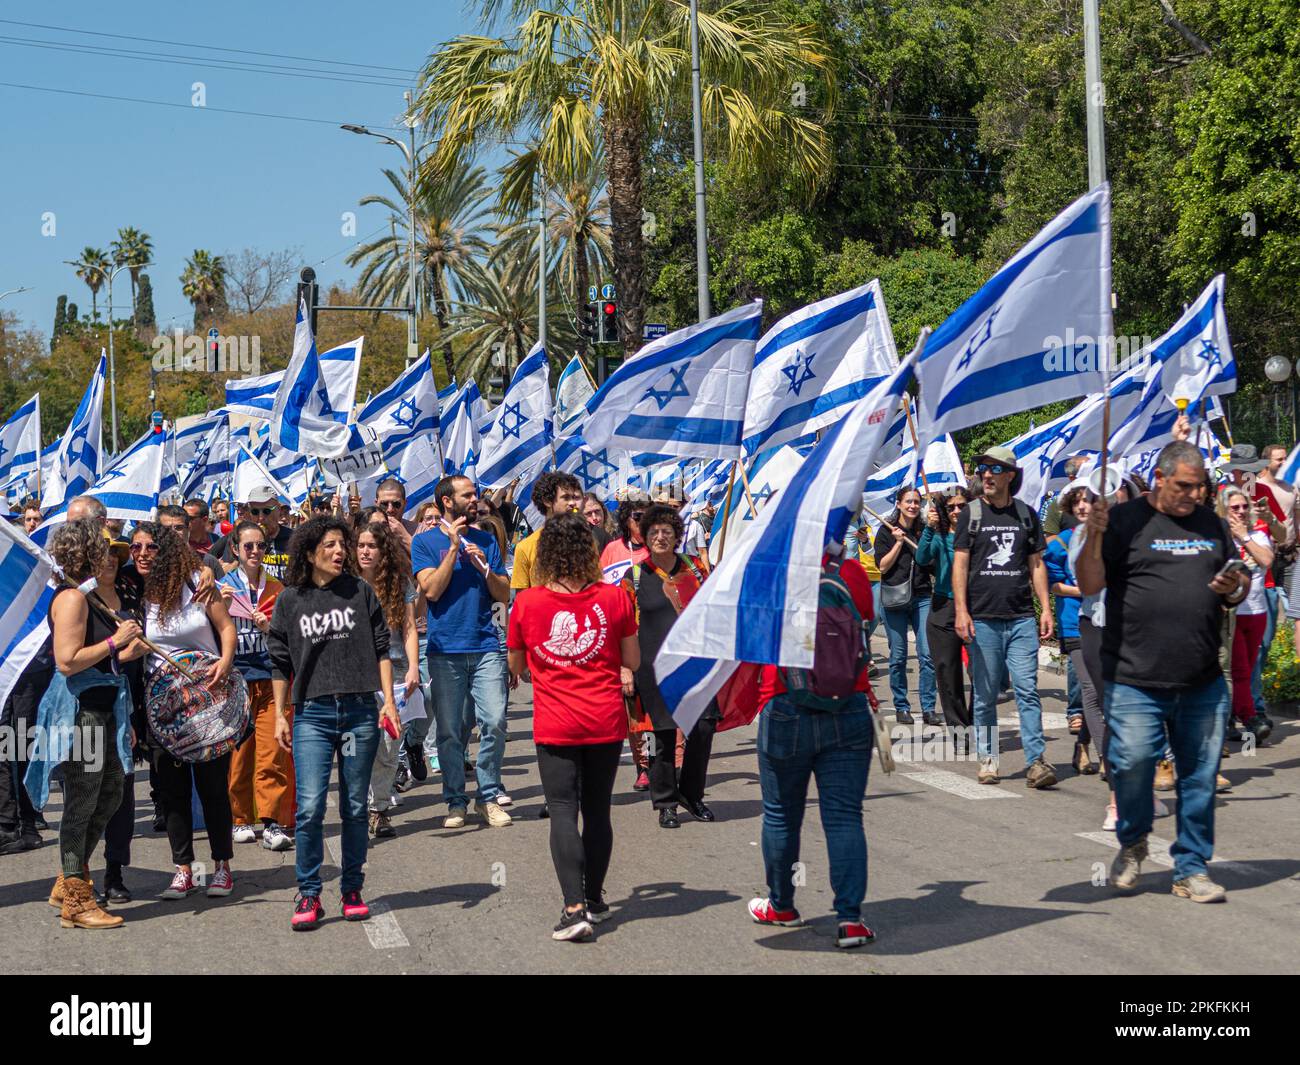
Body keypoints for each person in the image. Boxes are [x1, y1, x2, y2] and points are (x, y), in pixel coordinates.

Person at [1077, 441, 1248, 903]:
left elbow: (1237, 585)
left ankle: (1190, 868)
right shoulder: (1125, 521)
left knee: (1199, 776)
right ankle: (1133, 840)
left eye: (1200, 487)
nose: (1193, 495)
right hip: (1134, 677)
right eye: (1184, 486)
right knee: (1132, 764)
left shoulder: (1211, 525)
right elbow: (1089, 583)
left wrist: (1235, 586)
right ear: (1159, 478)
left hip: (1201, 678)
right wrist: (1094, 535)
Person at [507, 512, 639, 941]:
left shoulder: (526, 604)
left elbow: (518, 666)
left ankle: (574, 907)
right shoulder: (615, 598)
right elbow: (632, 661)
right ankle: (596, 899)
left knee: (563, 810)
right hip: (604, 719)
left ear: (544, 554)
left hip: (557, 722)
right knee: (598, 810)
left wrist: (550, 667)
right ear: (589, 552)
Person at [267, 516, 399, 930]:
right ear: (309, 553)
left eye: (342, 544)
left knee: (355, 806)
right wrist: (279, 715)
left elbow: (382, 650)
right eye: (330, 545)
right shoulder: (290, 600)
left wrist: (389, 703)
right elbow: (279, 662)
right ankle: (308, 894)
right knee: (308, 808)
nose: (340, 551)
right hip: (313, 717)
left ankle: (352, 889)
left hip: (359, 712)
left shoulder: (361, 591)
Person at [747, 545, 879, 950]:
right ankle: (850, 920)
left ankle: (782, 905)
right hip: (849, 703)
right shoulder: (852, 572)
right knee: (843, 818)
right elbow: (866, 627)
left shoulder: (769, 573)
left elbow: (749, 636)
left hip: (785, 702)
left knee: (781, 815)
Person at [30, 521, 144, 928]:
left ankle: (69, 876)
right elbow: (68, 660)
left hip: (103, 707)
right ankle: (77, 900)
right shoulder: (73, 599)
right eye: (100, 548)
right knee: (82, 803)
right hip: (82, 715)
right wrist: (116, 641)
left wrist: (126, 650)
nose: (108, 555)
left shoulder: (88, 597)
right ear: (84, 554)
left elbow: (95, 659)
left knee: (111, 791)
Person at [135, 523, 240, 901]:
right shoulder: (137, 591)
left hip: (208, 704)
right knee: (172, 792)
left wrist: (225, 663)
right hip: (162, 711)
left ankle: (222, 867)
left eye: (150, 547)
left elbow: (227, 629)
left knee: (213, 789)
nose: (142, 554)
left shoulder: (199, 582)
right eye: (136, 548)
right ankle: (185, 871)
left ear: (167, 551)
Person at [412, 475, 513, 829]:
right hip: (444, 650)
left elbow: (503, 594)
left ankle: (488, 795)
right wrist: (454, 549)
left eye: (475, 494)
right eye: (467, 495)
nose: (475, 499)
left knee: (495, 721)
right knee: (451, 731)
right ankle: (456, 800)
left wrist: (485, 566)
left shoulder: (486, 538)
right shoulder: (423, 542)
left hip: (486, 645)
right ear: (446, 502)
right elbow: (432, 591)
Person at [952, 446, 1056, 788]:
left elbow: (1036, 564)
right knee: (984, 695)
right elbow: (961, 564)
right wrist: (962, 611)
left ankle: (1036, 762)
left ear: (1010, 475)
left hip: (1022, 616)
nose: (986, 475)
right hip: (982, 619)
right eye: (982, 469)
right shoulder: (971, 514)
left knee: (1027, 690)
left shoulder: (1026, 515)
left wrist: (1045, 608)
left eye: (994, 470)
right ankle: (988, 760)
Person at [621, 504, 717, 828]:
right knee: (662, 736)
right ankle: (665, 803)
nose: (660, 537)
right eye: (653, 532)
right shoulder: (634, 576)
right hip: (653, 668)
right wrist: (625, 668)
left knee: (703, 727)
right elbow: (624, 626)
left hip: (694, 666)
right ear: (645, 537)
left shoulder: (696, 570)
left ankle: (691, 793)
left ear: (677, 535)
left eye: (667, 531)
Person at [218, 520, 294, 852]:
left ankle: (272, 822)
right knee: (239, 754)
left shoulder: (277, 589)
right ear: (235, 548)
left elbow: (290, 639)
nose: (255, 552)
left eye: (260, 546)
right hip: (236, 682)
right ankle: (239, 818)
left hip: (271, 680)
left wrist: (269, 629)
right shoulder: (224, 587)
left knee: (272, 752)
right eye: (248, 546)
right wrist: (216, 606)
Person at [356, 521, 420, 839]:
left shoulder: (399, 582)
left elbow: (408, 627)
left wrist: (413, 667)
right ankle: (362, 806)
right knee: (362, 744)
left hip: (394, 673)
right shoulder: (345, 584)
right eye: (361, 545)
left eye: (372, 546)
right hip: (357, 674)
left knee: (390, 745)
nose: (366, 551)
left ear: (384, 551)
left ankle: (378, 809)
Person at [1043, 485, 1103, 776]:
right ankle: (1108, 758)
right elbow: (1048, 580)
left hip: (1105, 622)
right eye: (1077, 502)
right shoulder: (1062, 543)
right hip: (1073, 623)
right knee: (1090, 688)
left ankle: (1082, 744)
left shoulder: (1108, 539)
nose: (1082, 506)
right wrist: (1080, 589)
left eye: (1088, 501)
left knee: (1102, 691)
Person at [873, 487, 937, 726]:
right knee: (898, 657)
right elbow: (882, 567)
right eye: (908, 501)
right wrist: (899, 543)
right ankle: (902, 706)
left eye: (916, 502)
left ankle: (929, 708)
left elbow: (932, 563)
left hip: (922, 597)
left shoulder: (923, 531)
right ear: (898, 504)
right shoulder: (886, 531)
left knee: (927, 655)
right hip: (894, 599)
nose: (913, 506)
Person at [1218, 487, 1274, 745]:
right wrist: (1234, 537)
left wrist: (1245, 537)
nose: (1241, 511)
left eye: (1244, 507)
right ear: (1224, 510)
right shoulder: (1220, 537)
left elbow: (1266, 561)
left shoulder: (1257, 535)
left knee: (1249, 669)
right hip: (1233, 614)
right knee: (1238, 670)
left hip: (1257, 611)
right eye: (1234, 508)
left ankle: (1234, 719)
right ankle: (1250, 719)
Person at [918, 487, 973, 744]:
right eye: (951, 507)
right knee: (948, 674)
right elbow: (922, 558)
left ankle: (978, 721)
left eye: (961, 506)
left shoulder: (977, 535)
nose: (956, 511)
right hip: (944, 608)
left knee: (983, 674)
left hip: (975, 607)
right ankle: (959, 732)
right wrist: (929, 528)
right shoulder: (939, 536)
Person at [513, 472, 585, 591]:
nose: (573, 503)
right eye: (566, 497)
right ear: (547, 501)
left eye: (573, 497)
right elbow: (522, 600)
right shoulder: (525, 548)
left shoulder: (586, 540)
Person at [210, 483, 295, 581]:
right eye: (255, 512)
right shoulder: (238, 536)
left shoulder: (294, 538)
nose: (261, 517)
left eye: (267, 511)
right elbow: (210, 560)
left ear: (279, 510)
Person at [599, 498, 650, 583]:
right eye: (638, 516)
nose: (644, 521)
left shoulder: (657, 549)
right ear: (626, 520)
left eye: (649, 516)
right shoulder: (612, 549)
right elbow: (599, 582)